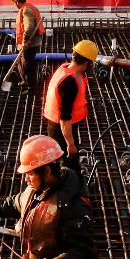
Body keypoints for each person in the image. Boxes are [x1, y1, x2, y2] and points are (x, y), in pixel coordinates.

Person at [42, 39, 98, 177]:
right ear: (87, 63)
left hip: (57, 127)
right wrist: (70, 144)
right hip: (60, 130)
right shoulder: (69, 82)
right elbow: (64, 117)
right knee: (70, 166)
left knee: (61, 163)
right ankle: (70, 192)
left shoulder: (64, 69)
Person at [10, 0, 45, 91]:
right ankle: (25, 80)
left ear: (16, 2)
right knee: (21, 62)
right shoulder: (30, 7)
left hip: (30, 43)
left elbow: (29, 27)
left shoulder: (26, 10)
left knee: (28, 64)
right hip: (27, 43)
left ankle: (32, 87)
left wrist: (25, 40)